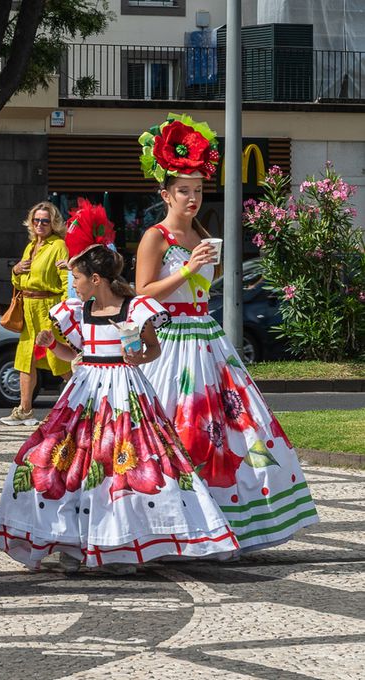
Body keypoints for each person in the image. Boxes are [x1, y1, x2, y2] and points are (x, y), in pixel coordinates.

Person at [0, 232, 237, 574]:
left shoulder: (135, 309)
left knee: (123, 465)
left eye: (76, 278)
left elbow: (154, 349)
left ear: (96, 279)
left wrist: (136, 356)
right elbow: (74, 354)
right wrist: (51, 345)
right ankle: (71, 541)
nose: (72, 284)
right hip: (85, 392)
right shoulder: (78, 312)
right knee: (66, 461)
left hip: (125, 390)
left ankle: (121, 543)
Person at [134, 114, 318, 552]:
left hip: (208, 339)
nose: (193, 198)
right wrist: (192, 269)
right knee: (176, 428)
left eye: (198, 190)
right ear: (165, 193)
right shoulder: (154, 237)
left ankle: (226, 521)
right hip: (171, 340)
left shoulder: (201, 231)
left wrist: (203, 267)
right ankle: (171, 526)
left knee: (234, 427)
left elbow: (201, 285)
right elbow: (142, 292)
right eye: (184, 190)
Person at [0, 201, 72, 426]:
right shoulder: (31, 246)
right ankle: (24, 410)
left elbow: (66, 283)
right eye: (36, 220)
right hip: (28, 307)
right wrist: (15, 270)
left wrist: (61, 313)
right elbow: (20, 281)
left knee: (58, 359)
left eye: (45, 221)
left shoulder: (58, 245)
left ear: (53, 224)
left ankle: (85, 402)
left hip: (46, 308)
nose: (40, 224)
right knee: (24, 359)